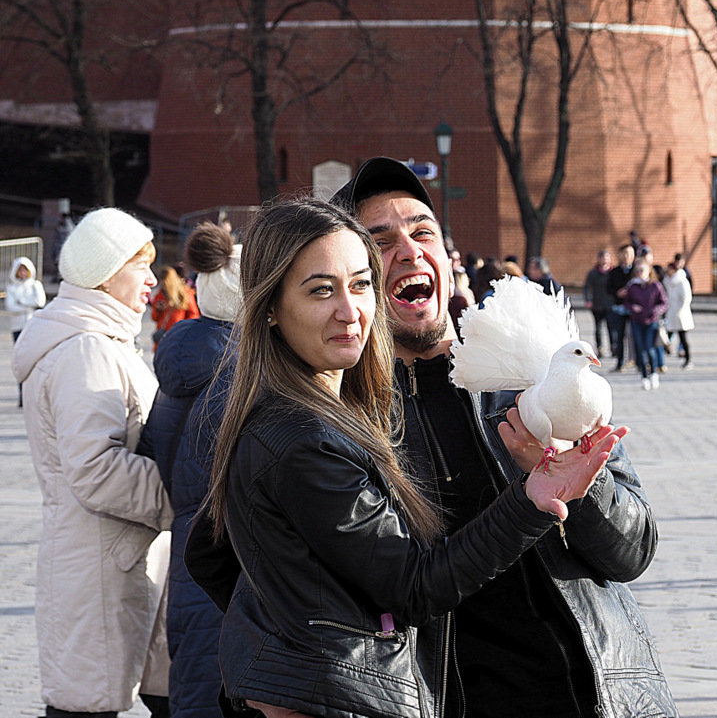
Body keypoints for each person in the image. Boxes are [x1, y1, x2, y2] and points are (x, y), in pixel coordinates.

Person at [184, 197, 643, 718]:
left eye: (359, 284)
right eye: (320, 290)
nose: (349, 309)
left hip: (579, 691)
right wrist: (302, 667)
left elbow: (635, 548)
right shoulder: (302, 433)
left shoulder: (527, 375)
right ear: (270, 306)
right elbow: (413, 584)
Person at [328, 156, 675, 716]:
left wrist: (579, 486)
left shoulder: (534, 376)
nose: (410, 251)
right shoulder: (344, 417)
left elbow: (634, 552)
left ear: (446, 257)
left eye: (423, 233)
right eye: (380, 241)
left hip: (603, 695)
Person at [12, 208, 173, 718]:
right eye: (139, 265)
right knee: (84, 708)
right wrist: (184, 493)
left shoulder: (103, 342)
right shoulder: (87, 350)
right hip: (99, 567)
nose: (152, 277)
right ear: (104, 273)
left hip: (111, 559)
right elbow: (96, 470)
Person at [139, 223, 242, 718]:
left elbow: (157, 450)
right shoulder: (243, 375)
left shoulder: (178, 367)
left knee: (196, 680)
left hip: (187, 546)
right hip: (232, 554)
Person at [6, 256, 46, 406]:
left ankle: (34, 393)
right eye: (20, 270)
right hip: (17, 328)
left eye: (25, 270)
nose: (22, 273)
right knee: (21, 361)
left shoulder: (35, 285)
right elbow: (11, 307)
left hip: (33, 326)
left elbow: (40, 302)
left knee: (34, 360)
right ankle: (22, 394)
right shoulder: (12, 288)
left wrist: (21, 303)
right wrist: (28, 306)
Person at [625, 256, 668, 390]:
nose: (639, 273)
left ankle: (654, 373)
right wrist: (632, 307)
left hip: (652, 321)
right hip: (636, 321)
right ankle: (644, 377)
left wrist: (657, 310)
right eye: (637, 270)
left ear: (648, 270)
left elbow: (664, 302)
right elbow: (627, 302)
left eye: (642, 270)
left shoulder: (655, 285)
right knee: (640, 349)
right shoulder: (632, 286)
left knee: (650, 349)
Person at [150, 265, 200, 351]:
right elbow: (154, 318)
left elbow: (194, 314)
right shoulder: (160, 295)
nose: (163, 285)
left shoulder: (184, 293)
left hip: (179, 337)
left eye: (165, 282)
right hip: (164, 338)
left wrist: (184, 328)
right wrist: (158, 310)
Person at [606, 243, 635, 371]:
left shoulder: (637, 270)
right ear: (620, 255)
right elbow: (608, 288)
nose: (627, 256)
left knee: (636, 336)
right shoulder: (614, 272)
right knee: (619, 336)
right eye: (625, 253)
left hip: (634, 309)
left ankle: (638, 362)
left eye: (630, 253)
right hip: (619, 308)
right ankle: (620, 362)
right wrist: (617, 292)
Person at [583, 248, 615, 358]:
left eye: (607, 258)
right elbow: (587, 287)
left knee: (611, 328)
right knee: (598, 328)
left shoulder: (613, 273)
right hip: (597, 304)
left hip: (610, 304)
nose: (604, 260)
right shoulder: (593, 273)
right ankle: (600, 348)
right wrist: (588, 300)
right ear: (599, 259)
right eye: (602, 258)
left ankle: (613, 347)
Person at [663, 257, 694, 368]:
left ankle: (688, 359)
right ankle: (660, 360)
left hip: (681, 314)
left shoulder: (682, 281)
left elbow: (686, 298)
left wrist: (679, 310)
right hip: (670, 313)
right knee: (664, 336)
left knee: (683, 338)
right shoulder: (667, 281)